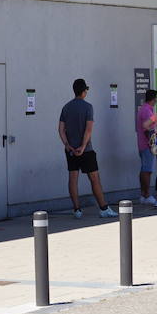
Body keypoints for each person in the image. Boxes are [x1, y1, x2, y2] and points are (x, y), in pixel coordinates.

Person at [58, 78, 118, 219]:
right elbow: (88, 129)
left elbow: (60, 129)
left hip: (70, 151)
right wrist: (83, 146)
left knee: (73, 178)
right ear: (84, 91)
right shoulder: (88, 107)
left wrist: (68, 146)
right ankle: (104, 208)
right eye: (86, 90)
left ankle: (77, 210)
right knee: (94, 178)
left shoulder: (66, 107)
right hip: (87, 150)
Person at [135, 89, 157, 206]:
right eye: (156, 98)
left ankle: (143, 194)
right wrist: (152, 144)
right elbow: (148, 130)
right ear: (153, 99)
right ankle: (147, 195)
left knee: (144, 169)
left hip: (143, 144)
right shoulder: (147, 111)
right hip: (147, 145)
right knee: (147, 170)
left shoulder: (144, 109)